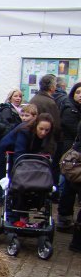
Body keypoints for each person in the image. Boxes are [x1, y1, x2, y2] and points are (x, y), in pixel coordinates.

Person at [57, 82, 81, 231]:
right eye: (78, 92)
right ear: (73, 93)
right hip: (71, 154)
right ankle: (64, 218)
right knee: (67, 185)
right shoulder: (70, 108)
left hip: (75, 151)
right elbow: (73, 129)